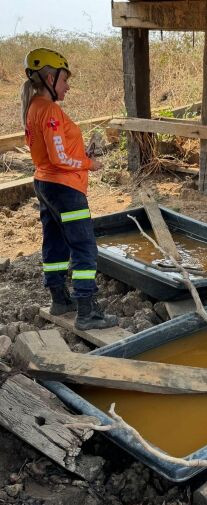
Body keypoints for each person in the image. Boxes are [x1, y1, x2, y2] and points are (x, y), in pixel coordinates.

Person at [21, 48, 117, 330]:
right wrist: (89, 163)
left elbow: (53, 152)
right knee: (84, 247)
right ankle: (87, 312)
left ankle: (59, 299)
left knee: (55, 243)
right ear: (50, 78)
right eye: (64, 80)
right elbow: (59, 157)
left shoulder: (33, 107)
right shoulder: (49, 110)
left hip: (45, 183)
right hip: (64, 187)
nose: (68, 86)